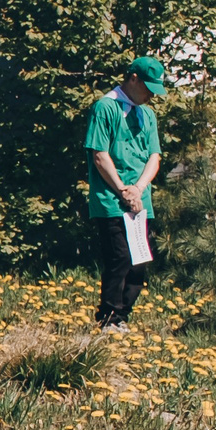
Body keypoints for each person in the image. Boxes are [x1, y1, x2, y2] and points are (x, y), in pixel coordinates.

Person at [87, 55, 166, 329]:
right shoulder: (105, 107)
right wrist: (122, 189)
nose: (151, 96)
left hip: (139, 201)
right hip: (111, 200)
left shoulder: (148, 114)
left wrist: (139, 189)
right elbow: (100, 155)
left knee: (139, 262)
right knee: (119, 257)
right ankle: (108, 318)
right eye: (148, 88)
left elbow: (154, 157)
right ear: (133, 79)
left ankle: (122, 316)